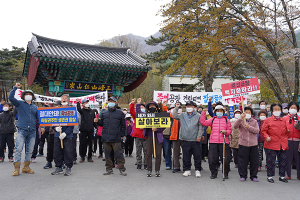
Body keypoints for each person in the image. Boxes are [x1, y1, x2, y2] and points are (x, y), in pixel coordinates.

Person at [9, 83, 39, 176]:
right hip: (22, 129)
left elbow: (38, 118)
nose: (28, 96)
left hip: (33, 131)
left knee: (30, 150)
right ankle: (16, 169)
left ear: (32, 97)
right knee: (18, 149)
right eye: (26, 94)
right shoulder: (20, 104)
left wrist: (40, 126)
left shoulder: (35, 107)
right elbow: (11, 98)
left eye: (30, 95)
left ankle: (26, 167)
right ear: (23, 96)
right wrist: (15, 88)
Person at [94, 96, 127, 176]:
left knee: (119, 154)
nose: (111, 103)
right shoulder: (104, 113)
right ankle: (109, 169)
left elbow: (123, 125)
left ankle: (122, 169)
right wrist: (97, 121)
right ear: (107, 103)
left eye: (112, 101)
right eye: (109, 101)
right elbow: (101, 124)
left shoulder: (120, 113)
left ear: (115, 103)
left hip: (116, 137)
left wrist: (123, 135)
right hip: (106, 137)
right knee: (107, 154)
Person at [173, 101, 204, 178]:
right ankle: (187, 170)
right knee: (186, 156)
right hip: (185, 139)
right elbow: (174, 116)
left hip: (195, 139)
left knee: (197, 155)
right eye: (187, 106)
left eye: (190, 106)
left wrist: (199, 136)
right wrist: (177, 107)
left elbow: (201, 127)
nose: (188, 108)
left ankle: (197, 170)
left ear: (194, 107)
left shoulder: (198, 115)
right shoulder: (183, 115)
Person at [200, 105, 232, 179]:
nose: (219, 112)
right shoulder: (212, 119)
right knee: (212, 158)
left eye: (221, 111)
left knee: (225, 159)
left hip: (224, 142)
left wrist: (226, 132)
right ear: (215, 112)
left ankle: (225, 173)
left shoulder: (227, 120)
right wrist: (203, 113)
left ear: (223, 112)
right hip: (213, 142)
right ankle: (213, 173)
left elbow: (230, 130)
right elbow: (203, 122)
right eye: (218, 111)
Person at [136, 98, 164, 177]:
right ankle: (149, 169)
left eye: (154, 106)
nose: (152, 107)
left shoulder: (159, 115)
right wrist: (138, 104)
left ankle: (157, 170)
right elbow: (138, 113)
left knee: (158, 154)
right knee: (148, 153)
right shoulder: (145, 116)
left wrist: (157, 129)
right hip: (149, 136)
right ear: (148, 108)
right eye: (150, 106)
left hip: (158, 137)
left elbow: (164, 125)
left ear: (156, 107)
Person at [261, 103, 289, 183]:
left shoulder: (283, 120)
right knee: (271, 161)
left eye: (278, 109)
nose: (277, 111)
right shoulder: (267, 120)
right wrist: (267, 137)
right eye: (275, 109)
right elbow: (263, 131)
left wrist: (285, 138)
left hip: (282, 144)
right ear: (272, 111)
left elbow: (287, 131)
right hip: (271, 143)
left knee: (283, 161)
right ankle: (270, 176)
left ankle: (282, 176)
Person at [233, 107, 259, 182]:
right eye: (246, 112)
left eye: (249, 112)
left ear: (251, 114)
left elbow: (257, 131)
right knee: (242, 161)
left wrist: (249, 127)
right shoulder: (240, 121)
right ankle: (243, 175)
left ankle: (253, 176)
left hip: (253, 144)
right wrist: (240, 118)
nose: (247, 114)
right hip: (243, 144)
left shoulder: (254, 121)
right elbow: (234, 126)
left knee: (254, 161)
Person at [51, 94, 74, 176]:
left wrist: (65, 133)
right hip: (57, 134)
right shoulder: (57, 109)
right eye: (63, 98)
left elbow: (72, 124)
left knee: (68, 151)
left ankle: (68, 167)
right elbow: (52, 121)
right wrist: (55, 128)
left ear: (68, 100)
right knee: (57, 151)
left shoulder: (71, 110)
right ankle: (59, 167)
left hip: (67, 135)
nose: (64, 99)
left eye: (66, 98)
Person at [164, 102, 183, 173]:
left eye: (180, 107)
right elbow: (164, 113)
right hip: (175, 135)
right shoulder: (172, 115)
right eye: (176, 107)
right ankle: (176, 166)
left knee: (186, 152)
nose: (178, 109)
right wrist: (164, 106)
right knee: (175, 152)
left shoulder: (184, 115)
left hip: (184, 136)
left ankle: (186, 166)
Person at [283, 101, 300, 180]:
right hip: (288, 140)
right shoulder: (284, 118)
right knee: (288, 158)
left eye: (295, 108)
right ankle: (288, 174)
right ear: (289, 109)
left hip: (298, 141)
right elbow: (281, 129)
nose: (293, 109)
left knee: (298, 158)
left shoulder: (299, 118)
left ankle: (299, 175)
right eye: (291, 108)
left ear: (297, 109)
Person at [76, 98, 96, 163]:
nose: (86, 103)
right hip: (83, 130)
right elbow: (78, 109)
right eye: (85, 102)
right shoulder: (82, 111)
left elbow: (94, 120)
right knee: (83, 144)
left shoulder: (92, 111)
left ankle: (89, 157)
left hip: (90, 130)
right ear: (83, 104)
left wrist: (96, 127)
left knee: (90, 144)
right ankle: (82, 156)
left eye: (87, 102)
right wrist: (78, 102)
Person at [130, 98, 147, 170]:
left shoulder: (148, 115)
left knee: (146, 151)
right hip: (137, 136)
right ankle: (139, 163)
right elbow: (131, 111)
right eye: (140, 107)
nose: (141, 109)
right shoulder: (136, 115)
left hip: (146, 136)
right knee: (138, 151)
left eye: (142, 107)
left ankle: (146, 164)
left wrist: (145, 127)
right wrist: (133, 103)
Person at [43, 100, 60, 169]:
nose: (56, 106)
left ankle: (60, 162)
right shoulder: (51, 111)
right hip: (51, 132)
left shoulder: (64, 112)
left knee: (60, 148)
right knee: (50, 148)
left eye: (58, 105)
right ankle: (49, 162)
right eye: (55, 105)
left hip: (60, 133)